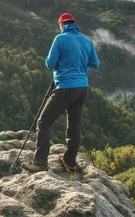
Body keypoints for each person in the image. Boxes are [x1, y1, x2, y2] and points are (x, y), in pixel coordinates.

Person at [22, 13, 99, 173]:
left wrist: (59, 61)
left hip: (65, 87)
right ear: (74, 23)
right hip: (82, 89)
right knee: (74, 126)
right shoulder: (87, 40)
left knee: (43, 122)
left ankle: (41, 162)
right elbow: (95, 63)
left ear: (61, 24)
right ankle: (70, 162)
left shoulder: (60, 39)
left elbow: (50, 64)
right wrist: (79, 61)